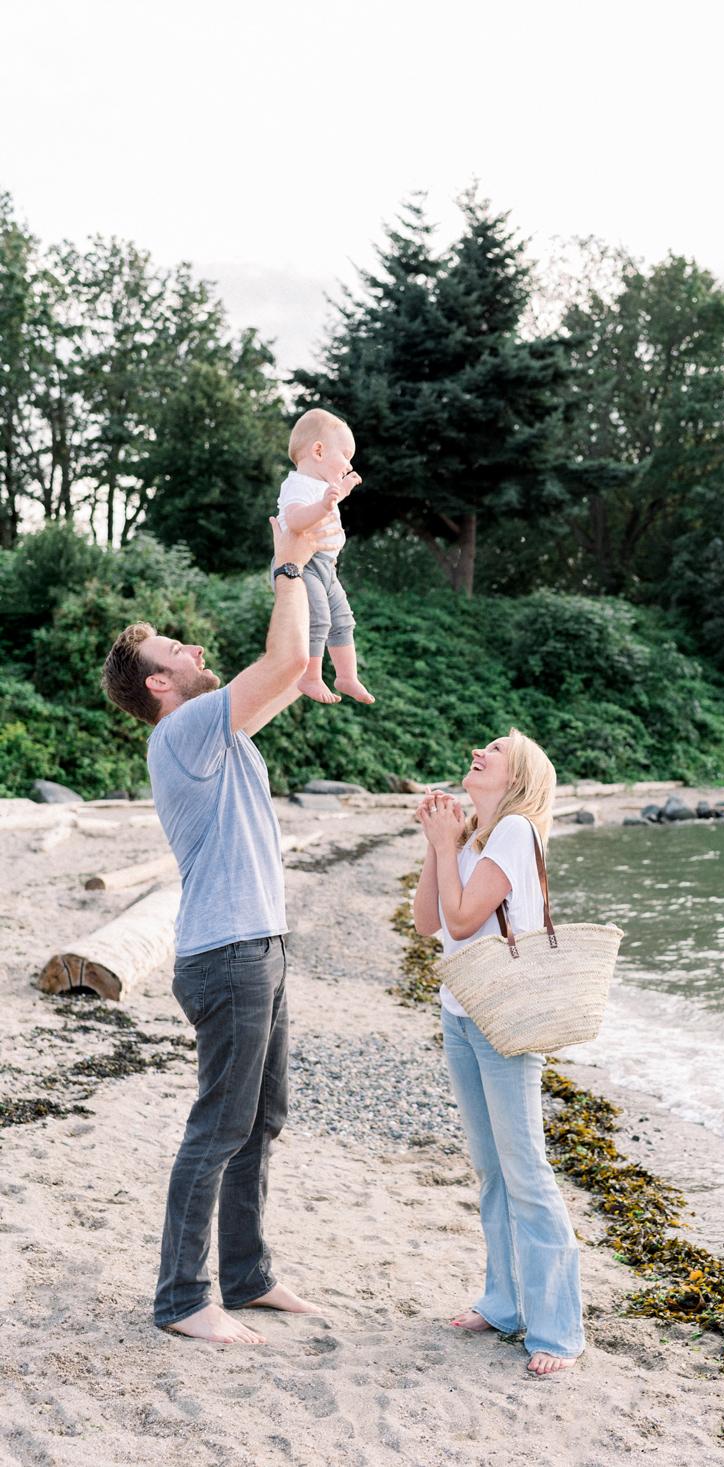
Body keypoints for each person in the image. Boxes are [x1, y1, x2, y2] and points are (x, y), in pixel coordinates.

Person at [100, 511, 338, 1345]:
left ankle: (247, 1274)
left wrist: (314, 559)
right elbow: (277, 659)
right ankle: (180, 1297)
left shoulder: (221, 731)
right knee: (220, 1126)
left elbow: (295, 665)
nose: (197, 652)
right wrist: (283, 564)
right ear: (159, 685)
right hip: (226, 955)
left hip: (258, 947)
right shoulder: (183, 731)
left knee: (262, 1118)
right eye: (179, 653)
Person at [412, 729, 585, 1376]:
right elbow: (429, 920)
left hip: (503, 1020)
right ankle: (505, 1302)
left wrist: (446, 842)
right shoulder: (483, 838)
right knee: (491, 1167)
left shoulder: (515, 830)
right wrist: (441, 845)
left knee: (527, 1172)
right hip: (462, 1013)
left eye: (495, 748)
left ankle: (559, 1330)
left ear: (519, 776)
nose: (479, 751)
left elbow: (461, 922)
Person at [277, 407, 374, 706]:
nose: (349, 464)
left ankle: (347, 676)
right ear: (318, 451)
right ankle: (310, 676)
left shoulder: (322, 488)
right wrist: (325, 504)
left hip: (325, 567)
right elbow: (294, 521)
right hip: (302, 564)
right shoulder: (297, 484)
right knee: (318, 617)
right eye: (345, 454)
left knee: (343, 620)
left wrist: (339, 493)